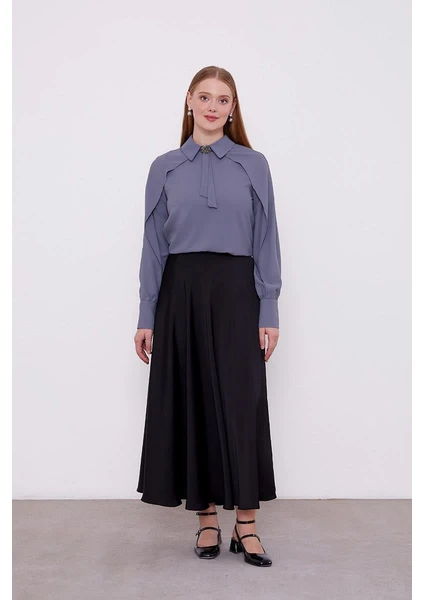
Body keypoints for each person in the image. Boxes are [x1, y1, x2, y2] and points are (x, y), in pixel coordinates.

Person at [134, 65, 282, 567]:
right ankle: (206, 522)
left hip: (238, 293)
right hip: (181, 293)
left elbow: (266, 237)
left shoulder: (253, 165)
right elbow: (153, 246)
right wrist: (146, 314)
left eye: (223, 99)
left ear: (233, 109)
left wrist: (269, 306)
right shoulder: (164, 167)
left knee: (241, 403)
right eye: (204, 97)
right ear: (189, 102)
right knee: (193, 401)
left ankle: (247, 525)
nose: (213, 106)